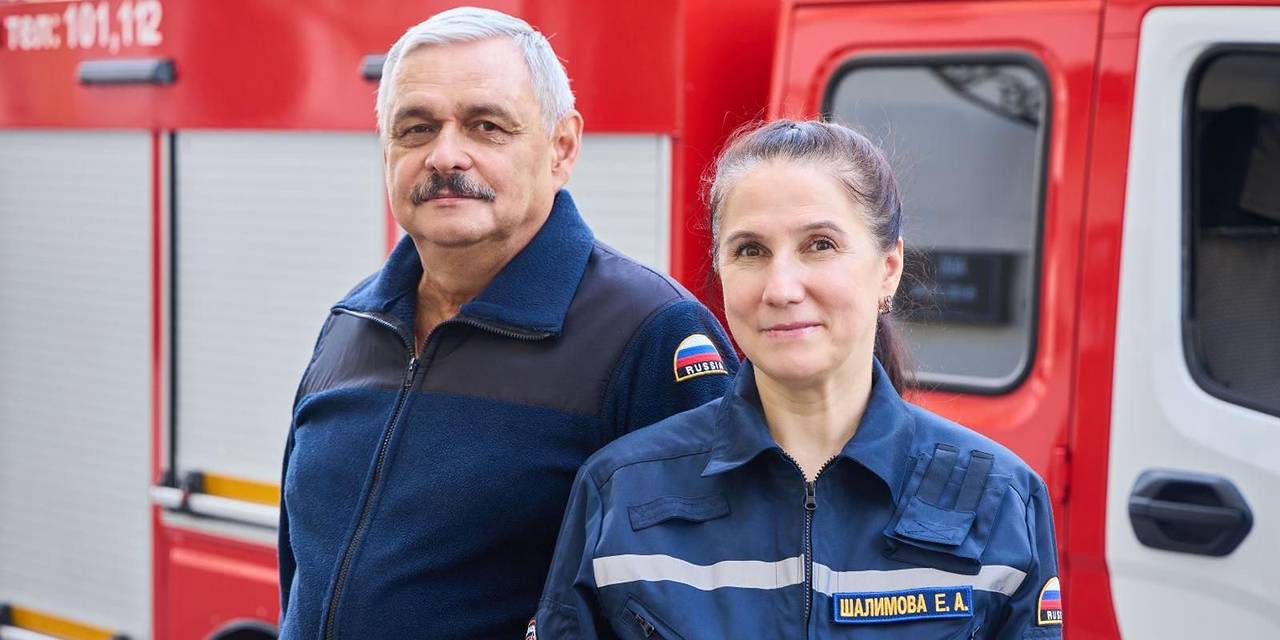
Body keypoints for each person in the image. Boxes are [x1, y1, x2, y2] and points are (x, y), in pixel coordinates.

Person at [276, 7, 738, 639]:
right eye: (416, 128)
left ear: (561, 148)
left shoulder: (651, 337)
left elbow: (713, 601)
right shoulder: (352, 324)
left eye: (486, 126)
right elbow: (300, 576)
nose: (445, 155)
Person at [535, 120, 1063, 639]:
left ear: (889, 268)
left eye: (820, 245)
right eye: (750, 251)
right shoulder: (619, 494)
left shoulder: (1000, 500)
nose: (781, 289)